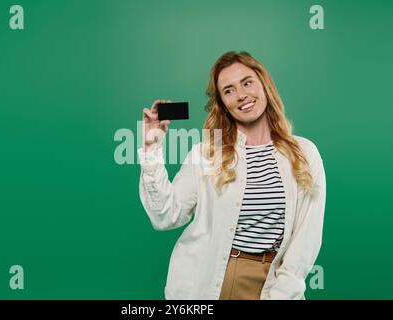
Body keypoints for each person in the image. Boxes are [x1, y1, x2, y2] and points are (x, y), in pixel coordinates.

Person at [138, 51, 326, 300]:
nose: (241, 95)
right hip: (213, 282)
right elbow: (165, 215)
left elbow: (306, 239)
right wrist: (152, 148)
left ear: (264, 85)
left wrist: (282, 295)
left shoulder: (304, 153)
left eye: (247, 83)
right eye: (228, 90)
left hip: (274, 282)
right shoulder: (206, 154)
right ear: (222, 104)